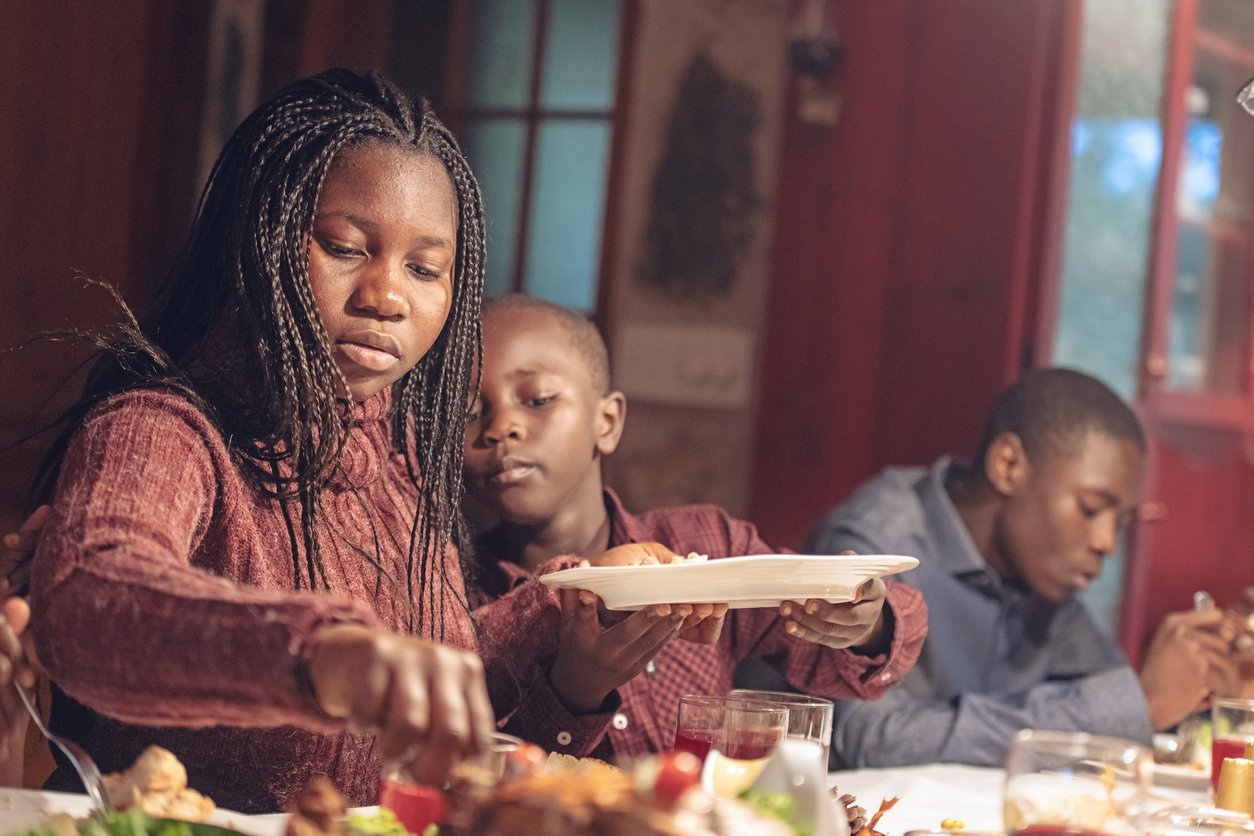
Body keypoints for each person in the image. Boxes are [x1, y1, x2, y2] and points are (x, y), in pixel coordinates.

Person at [23, 69, 662, 813]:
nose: (388, 297)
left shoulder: (398, 455)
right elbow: (90, 606)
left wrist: (576, 605)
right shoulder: (162, 429)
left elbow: (420, 679)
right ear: (258, 243)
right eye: (345, 247)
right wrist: (319, 652)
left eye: (425, 269)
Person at [462, 294, 928, 760]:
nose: (501, 427)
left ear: (607, 421)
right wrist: (575, 689)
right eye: (468, 413)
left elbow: (847, 660)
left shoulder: (703, 545)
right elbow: (467, 777)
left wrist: (865, 623)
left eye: (538, 399)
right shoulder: (453, 598)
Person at [807, 368, 1239, 768]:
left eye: (1120, 523)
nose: (1107, 542)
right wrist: (1139, 703)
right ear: (1008, 465)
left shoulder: (1040, 574)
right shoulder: (878, 546)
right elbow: (871, 738)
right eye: (1090, 509)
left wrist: (1210, 685)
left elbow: (1115, 700)